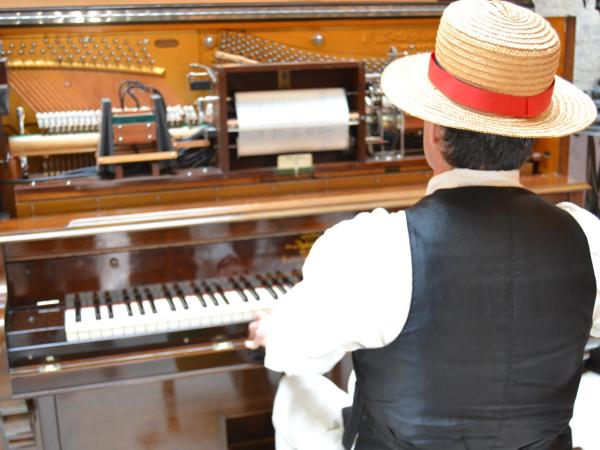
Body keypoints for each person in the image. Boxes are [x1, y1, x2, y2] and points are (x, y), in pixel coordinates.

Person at [245, 0, 600, 448]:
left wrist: (273, 328)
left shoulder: (374, 247)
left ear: (434, 131)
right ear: (530, 139)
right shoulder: (585, 238)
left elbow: (294, 351)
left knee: (295, 389)